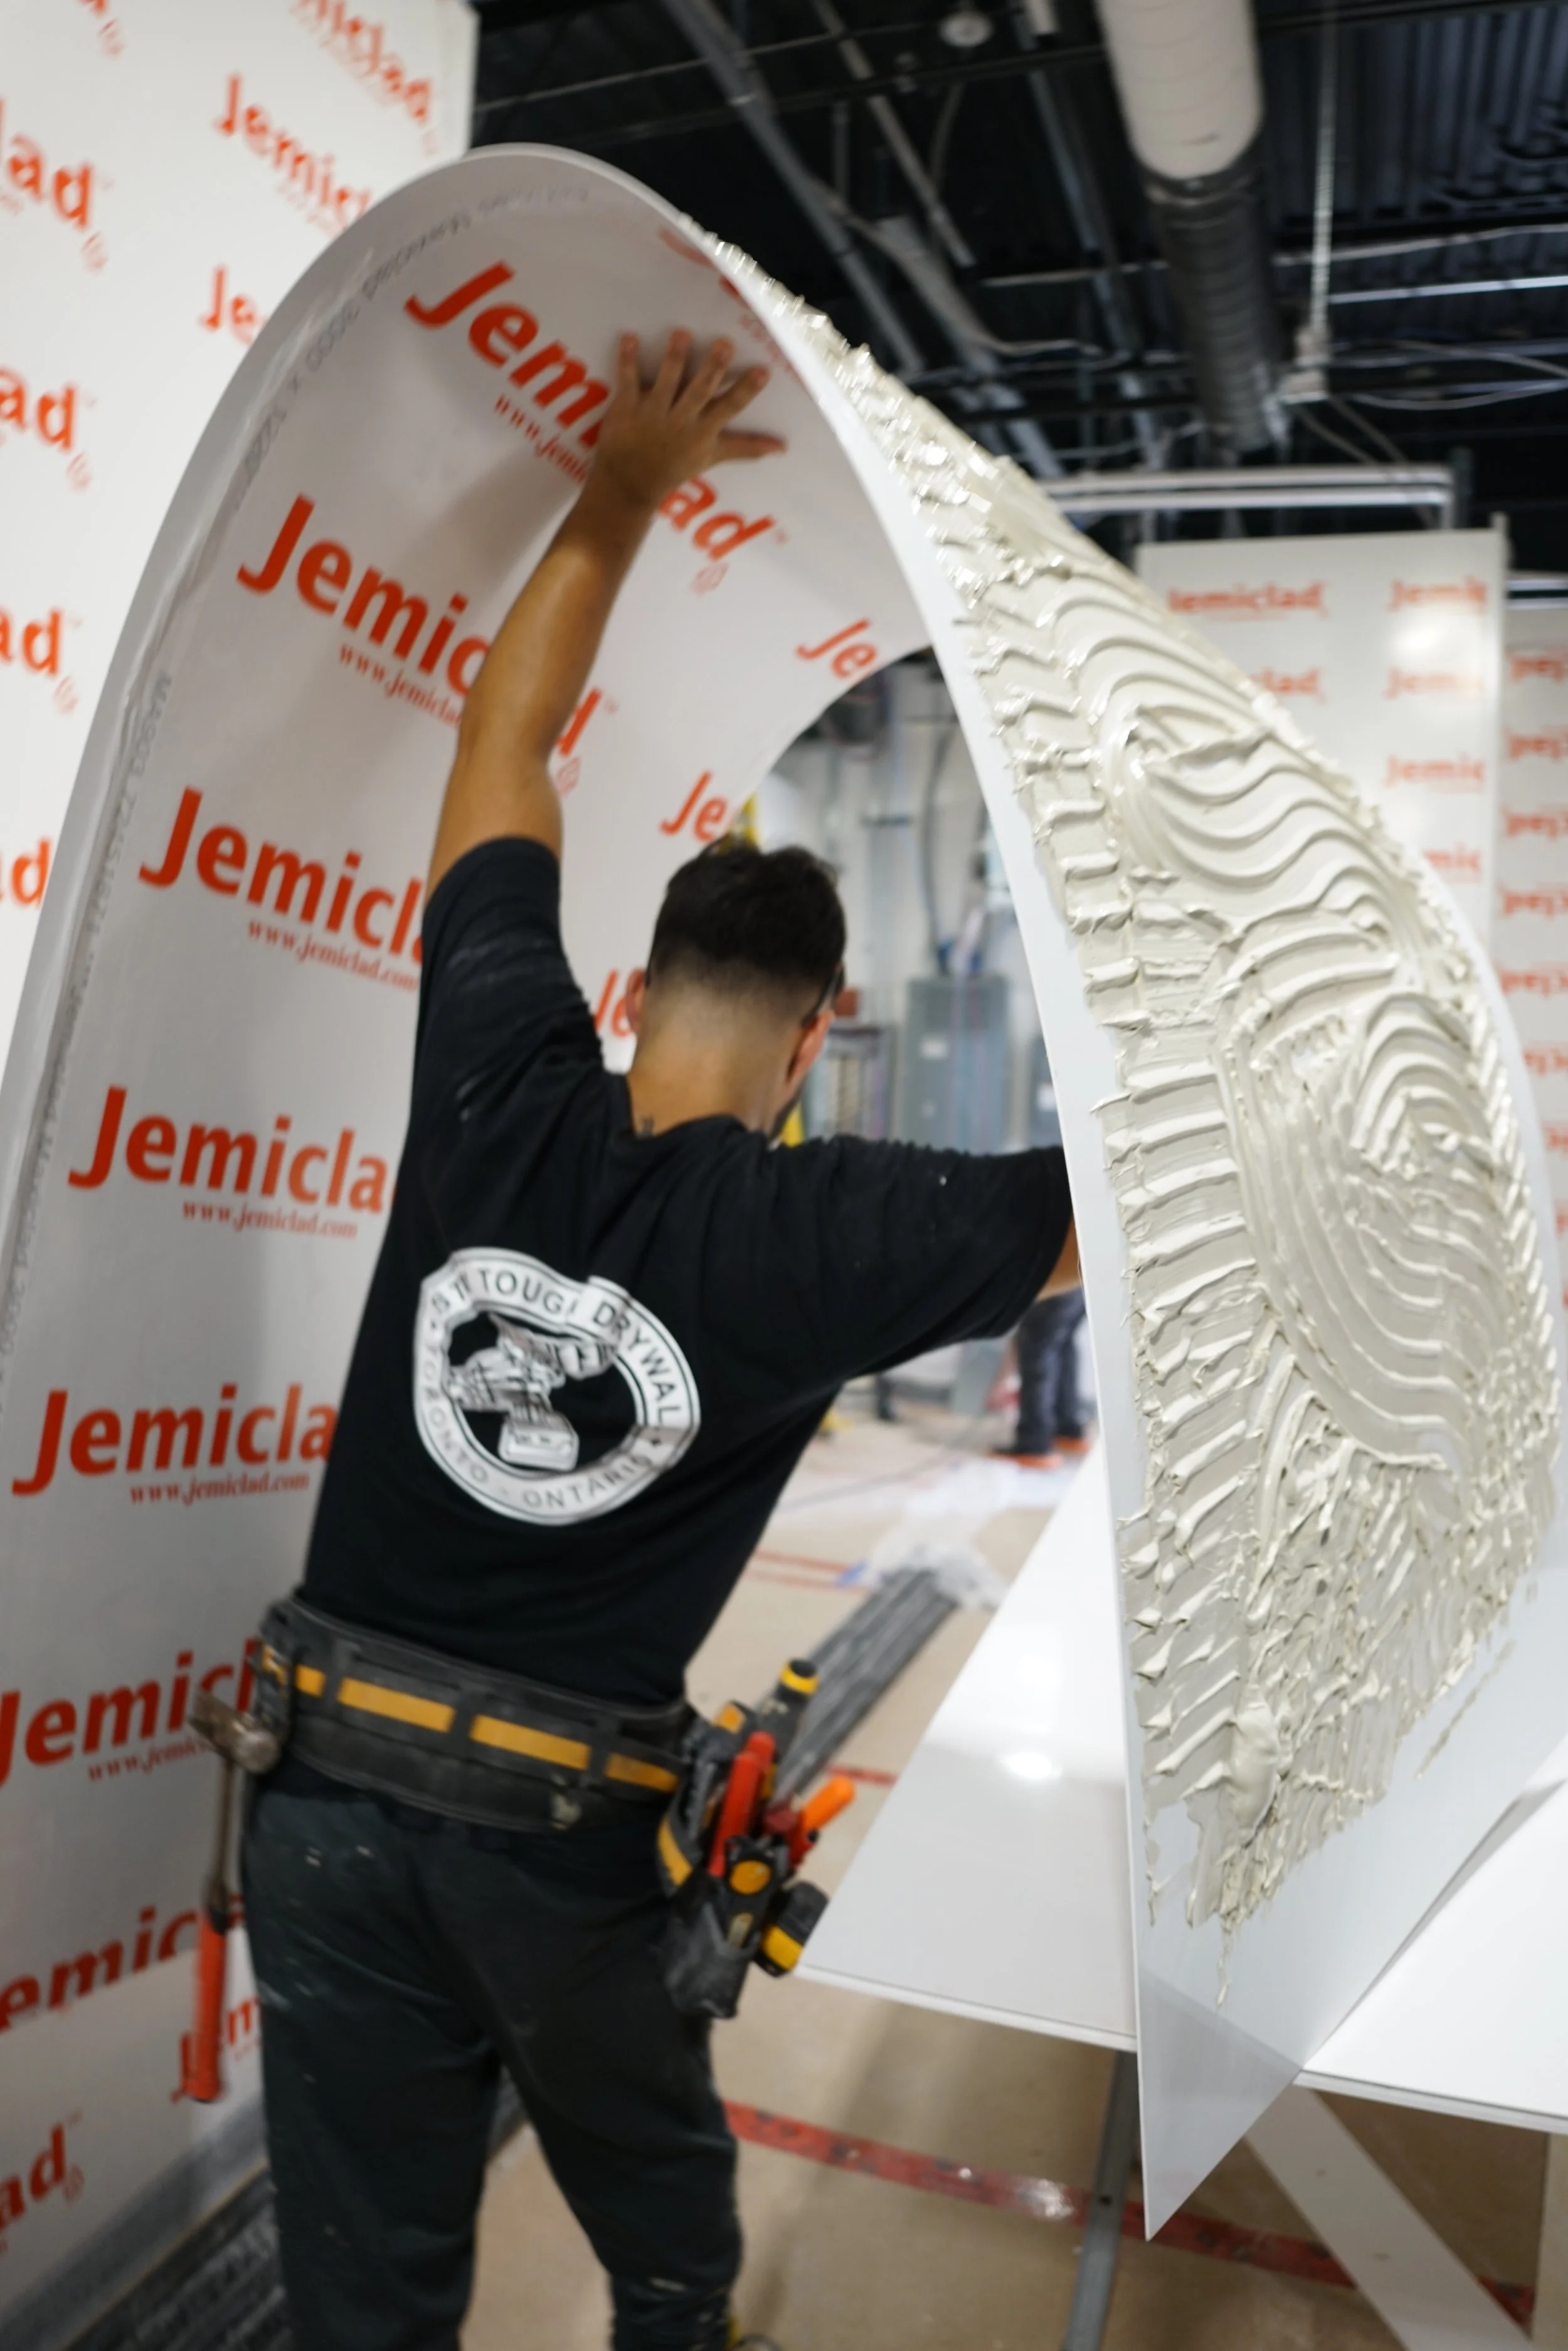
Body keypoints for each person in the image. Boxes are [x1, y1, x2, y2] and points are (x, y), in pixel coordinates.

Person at [241, 327, 1079, 2351]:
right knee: (674, 2240)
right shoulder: (832, 1225)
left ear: (629, 984)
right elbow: (1119, 1210)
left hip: (319, 1800)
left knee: (368, 2288)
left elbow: (501, 742)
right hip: (557, 1851)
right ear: (817, 1036)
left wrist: (622, 485)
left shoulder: (500, 1071)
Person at [999, 1290, 1090, 1466]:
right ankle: (1068, 1429)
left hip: (1062, 1279)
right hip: (1079, 1281)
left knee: (1037, 1347)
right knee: (1062, 1344)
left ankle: (1034, 1444)